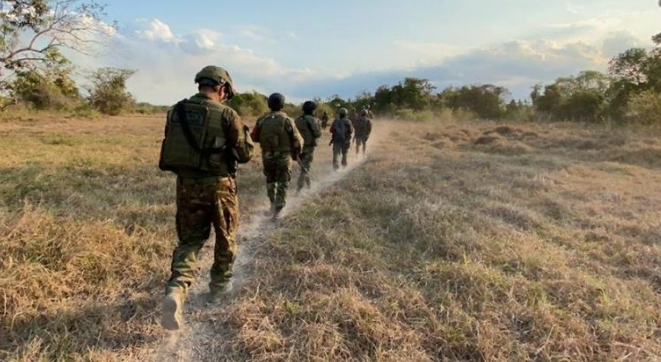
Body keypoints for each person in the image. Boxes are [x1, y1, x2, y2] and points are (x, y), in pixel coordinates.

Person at [158, 65, 253, 330]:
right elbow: (245, 154)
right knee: (225, 237)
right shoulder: (227, 114)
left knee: (190, 240)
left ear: (201, 85)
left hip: (187, 186)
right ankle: (219, 289)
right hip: (220, 187)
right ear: (222, 89)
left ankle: (176, 290)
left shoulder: (175, 111)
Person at [251, 93, 303, 219]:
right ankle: (278, 209)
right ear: (282, 105)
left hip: (267, 156)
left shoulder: (262, 120)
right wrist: (297, 153)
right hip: (284, 156)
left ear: (269, 104)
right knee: (283, 182)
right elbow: (297, 140)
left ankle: (272, 205)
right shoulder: (287, 121)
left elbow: (254, 137)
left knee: (270, 181)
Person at [294, 101, 322, 193]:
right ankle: (299, 190)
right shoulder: (312, 120)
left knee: (304, 168)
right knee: (305, 169)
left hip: (297, 148)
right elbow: (317, 133)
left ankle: (309, 184)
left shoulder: (297, 120)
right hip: (308, 147)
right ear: (312, 110)